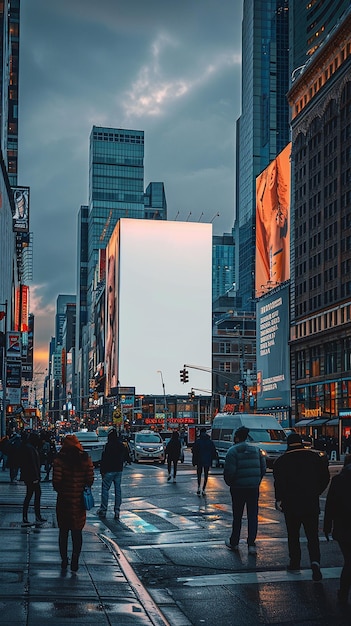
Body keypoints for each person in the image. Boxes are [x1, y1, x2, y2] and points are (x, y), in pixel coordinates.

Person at [273, 432, 330, 581]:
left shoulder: (281, 461)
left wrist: (279, 499)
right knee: (312, 535)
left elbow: (278, 483)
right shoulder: (314, 458)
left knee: (293, 535)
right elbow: (325, 477)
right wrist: (316, 491)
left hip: (291, 504)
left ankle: (295, 562)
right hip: (310, 502)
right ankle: (315, 561)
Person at [53, 434, 94, 572]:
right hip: (79, 503)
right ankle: (75, 557)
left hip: (64, 501)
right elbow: (90, 480)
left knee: (63, 532)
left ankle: (64, 559)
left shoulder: (60, 459)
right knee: (77, 532)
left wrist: (63, 489)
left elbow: (56, 482)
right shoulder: (85, 459)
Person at [223, 426, 266, 554]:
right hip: (253, 487)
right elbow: (263, 468)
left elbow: (229, 472)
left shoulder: (233, 451)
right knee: (253, 515)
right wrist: (256, 480)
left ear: (236, 437)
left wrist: (231, 483)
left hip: (238, 488)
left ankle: (234, 541)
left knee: (237, 516)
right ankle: (251, 543)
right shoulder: (257, 450)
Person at [323, 454, 351, 604]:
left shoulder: (338, 480)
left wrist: (327, 526)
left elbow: (330, 506)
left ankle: (344, 591)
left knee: (348, 560)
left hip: (343, 527)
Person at [97, 428, 129, 521]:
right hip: (118, 469)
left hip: (109, 470)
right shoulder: (121, 445)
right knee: (118, 490)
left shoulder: (108, 446)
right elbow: (126, 456)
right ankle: (117, 510)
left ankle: (103, 509)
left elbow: (105, 458)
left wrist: (102, 470)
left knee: (105, 489)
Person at [20, 431, 46, 526]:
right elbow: (31, 465)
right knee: (32, 495)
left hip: (32, 476)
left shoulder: (30, 447)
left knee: (31, 495)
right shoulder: (30, 448)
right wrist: (35, 477)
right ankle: (32, 516)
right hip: (31, 477)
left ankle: (32, 516)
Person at [192, 427, 217, 496]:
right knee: (206, 475)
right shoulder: (210, 442)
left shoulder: (198, 441)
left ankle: (199, 487)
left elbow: (194, 452)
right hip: (207, 460)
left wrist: (194, 461)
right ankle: (204, 489)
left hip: (199, 460)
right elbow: (213, 451)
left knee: (199, 474)